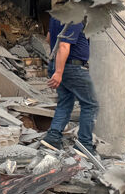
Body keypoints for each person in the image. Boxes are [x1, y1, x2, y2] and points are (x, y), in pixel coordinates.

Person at [42, 15, 99, 156]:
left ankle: (53, 137)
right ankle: (85, 145)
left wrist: (57, 68)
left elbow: (49, 39)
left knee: (65, 102)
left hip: (59, 64)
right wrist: (59, 72)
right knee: (90, 104)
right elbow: (63, 46)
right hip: (72, 67)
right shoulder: (74, 18)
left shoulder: (56, 16)